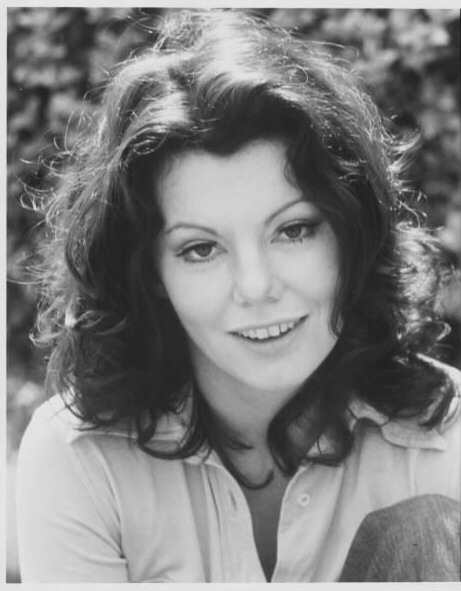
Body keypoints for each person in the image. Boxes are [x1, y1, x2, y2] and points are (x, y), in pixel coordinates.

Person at [16, 9, 460, 583]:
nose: (256, 287)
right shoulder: (78, 459)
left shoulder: (447, 437)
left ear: (351, 234)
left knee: (422, 530)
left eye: (293, 230)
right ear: (152, 275)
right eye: (201, 249)